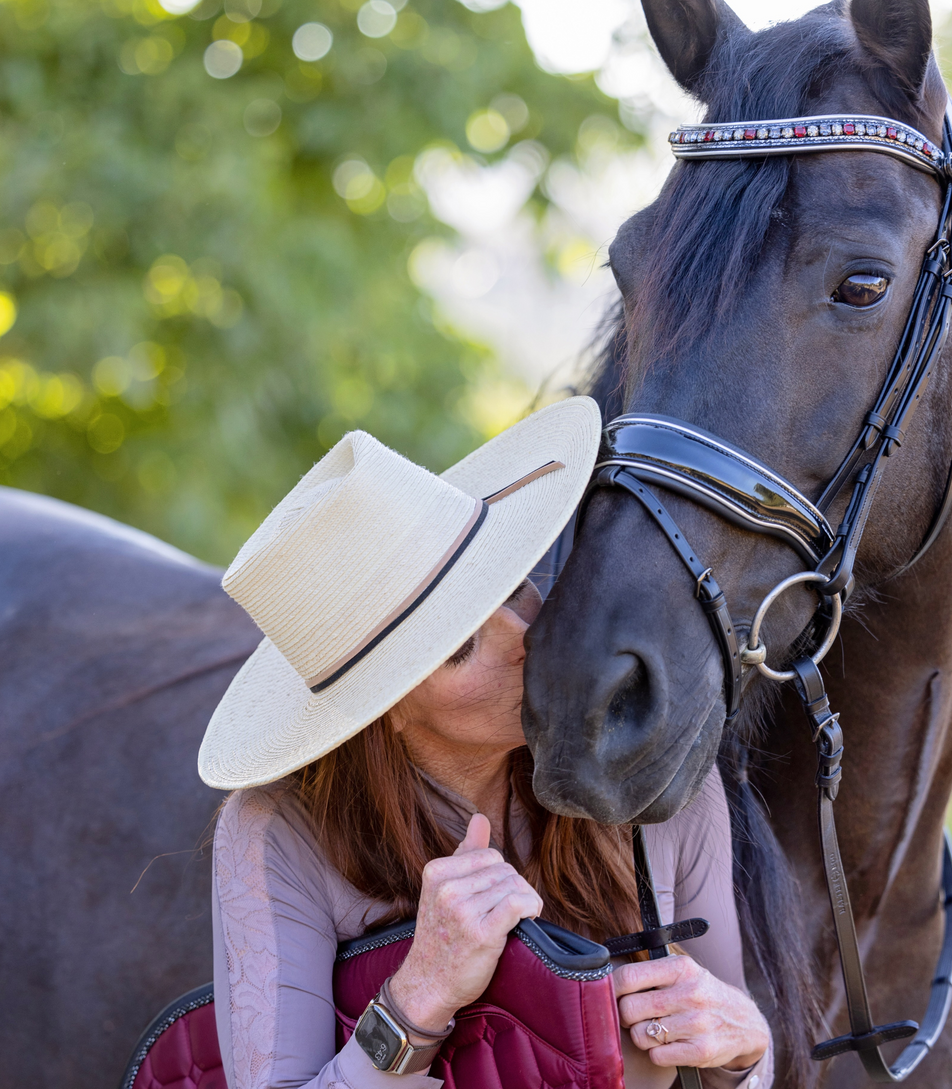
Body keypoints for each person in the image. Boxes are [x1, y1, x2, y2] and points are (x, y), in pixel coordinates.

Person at [198, 397, 773, 1089]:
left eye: (514, 588)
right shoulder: (278, 835)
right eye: (462, 645)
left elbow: (730, 1064)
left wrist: (743, 1051)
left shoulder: (652, 767)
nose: (526, 637)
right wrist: (418, 998)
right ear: (381, 715)